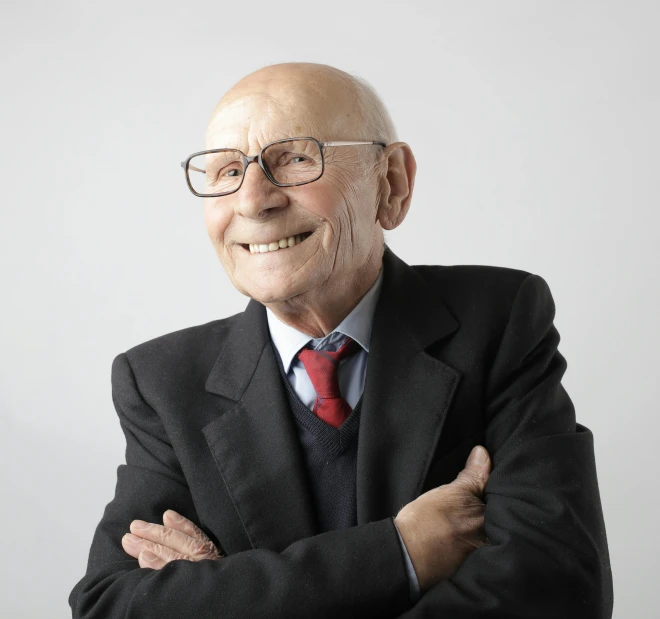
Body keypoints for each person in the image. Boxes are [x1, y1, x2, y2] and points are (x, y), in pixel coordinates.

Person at [68, 62, 613, 618]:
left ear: (391, 182)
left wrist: (231, 589)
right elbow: (110, 607)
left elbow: (560, 588)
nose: (253, 200)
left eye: (296, 157)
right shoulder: (162, 383)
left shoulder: (498, 322)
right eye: (226, 171)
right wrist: (401, 553)